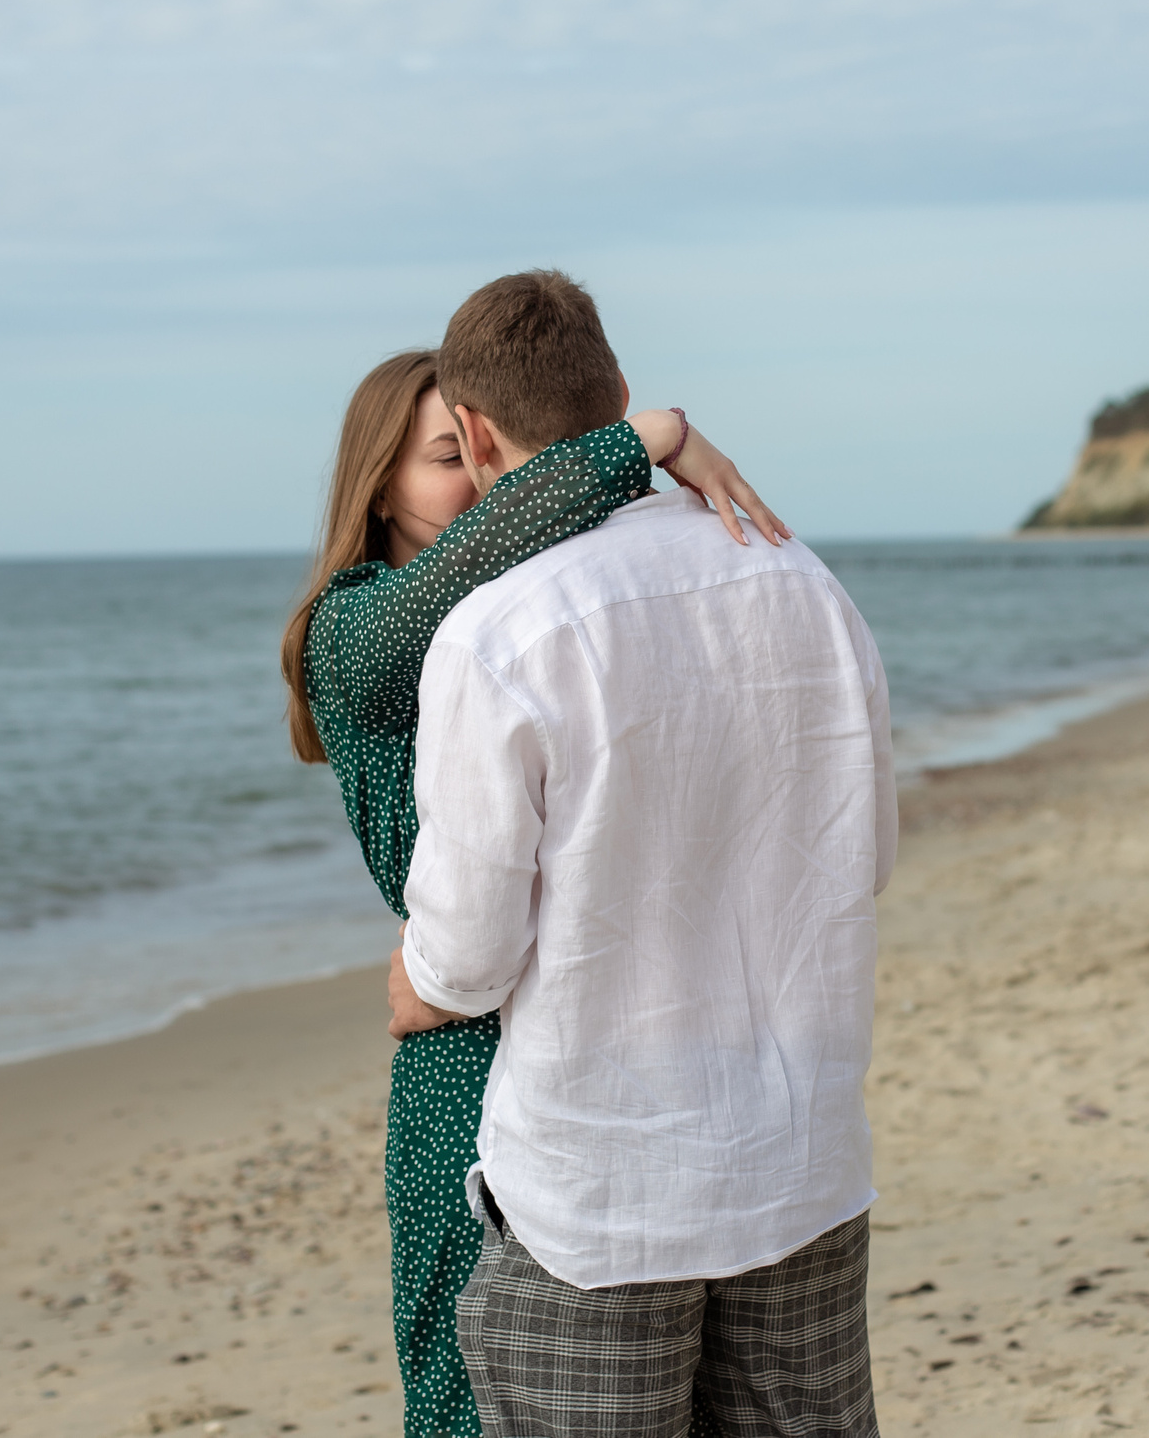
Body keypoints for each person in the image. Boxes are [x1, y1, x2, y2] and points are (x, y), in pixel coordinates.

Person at [393, 272, 896, 1437]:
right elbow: (863, 855)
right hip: (799, 1155)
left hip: (601, 1193)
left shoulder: (496, 627)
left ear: (471, 435)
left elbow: (466, 956)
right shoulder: (802, 578)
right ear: (617, 396)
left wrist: (414, 984)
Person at [280, 342, 788, 1438]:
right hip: (467, 1055)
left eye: (477, 451)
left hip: (604, 1035)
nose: (475, 476)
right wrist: (651, 439)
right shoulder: (355, 629)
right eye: (441, 456)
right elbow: (496, 536)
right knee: (471, 1395)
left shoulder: (535, 613)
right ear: (378, 484)